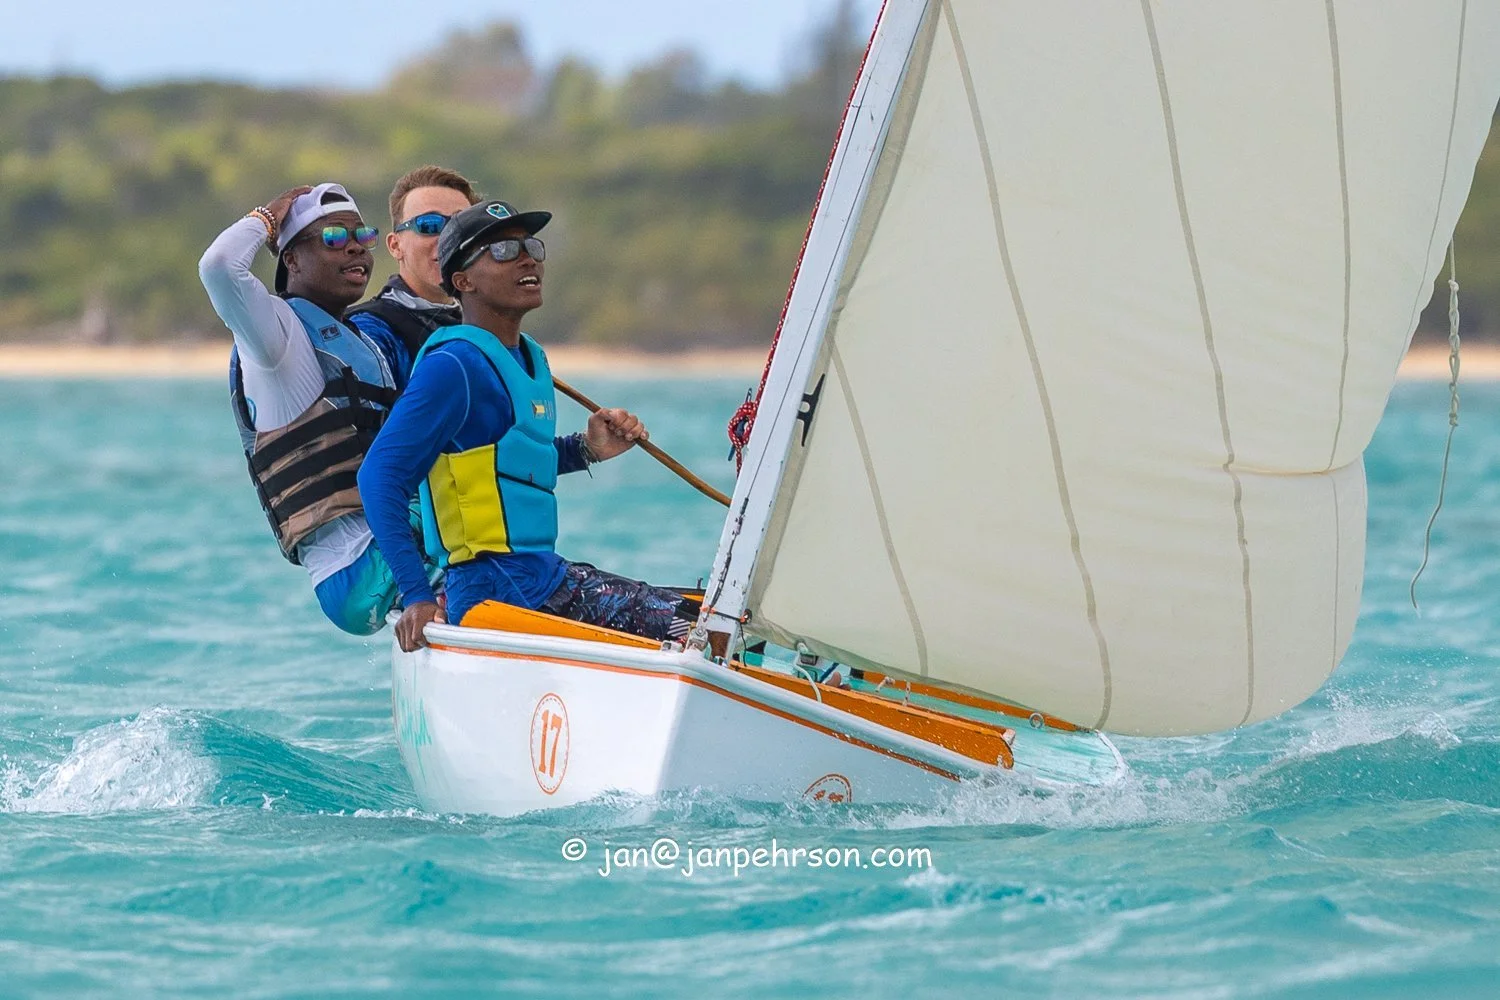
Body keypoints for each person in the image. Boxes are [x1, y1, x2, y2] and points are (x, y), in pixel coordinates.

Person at [358, 199, 703, 652]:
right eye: (503, 251)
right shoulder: (454, 365)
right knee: (696, 628)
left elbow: (506, 463)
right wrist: (417, 596)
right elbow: (379, 476)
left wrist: (586, 449)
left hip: (540, 577)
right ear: (462, 281)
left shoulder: (528, 357)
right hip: (494, 589)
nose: (526, 260)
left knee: (714, 613)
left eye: (531, 248)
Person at [199, 182, 410, 636]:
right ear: (291, 259)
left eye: (363, 236)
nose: (355, 246)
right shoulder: (278, 340)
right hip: (357, 568)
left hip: (386, 553)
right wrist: (267, 217)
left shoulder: (364, 345)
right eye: (334, 237)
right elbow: (219, 267)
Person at [345, 166, 480, 385]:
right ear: (395, 245)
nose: (448, 238)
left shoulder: (485, 326)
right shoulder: (369, 330)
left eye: (461, 225)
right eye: (429, 225)